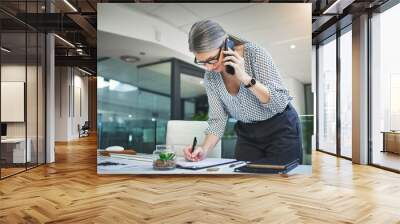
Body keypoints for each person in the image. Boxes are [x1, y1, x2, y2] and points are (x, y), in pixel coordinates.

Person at [183, 20, 302, 164]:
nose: (208, 67)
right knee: (244, 181)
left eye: (212, 59)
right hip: (247, 132)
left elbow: (279, 103)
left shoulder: (254, 53)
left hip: (280, 127)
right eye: (202, 61)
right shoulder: (211, 77)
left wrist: (245, 78)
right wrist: (204, 150)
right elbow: (218, 120)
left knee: (280, 182)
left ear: (226, 44)